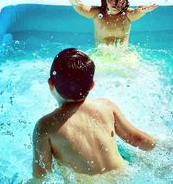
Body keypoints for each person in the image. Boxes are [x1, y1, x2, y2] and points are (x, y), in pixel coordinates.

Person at [32, 48, 156, 179]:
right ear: (92, 85)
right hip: (123, 177)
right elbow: (137, 139)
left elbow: (41, 174)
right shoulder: (106, 106)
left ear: (50, 83)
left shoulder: (45, 126)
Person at [63, 0, 158, 46]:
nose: (115, 2)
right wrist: (74, 2)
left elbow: (138, 10)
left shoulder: (127, 15)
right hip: (101, 56)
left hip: (123, 57)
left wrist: (145, 9)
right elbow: (81, 8)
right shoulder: (97, 13)